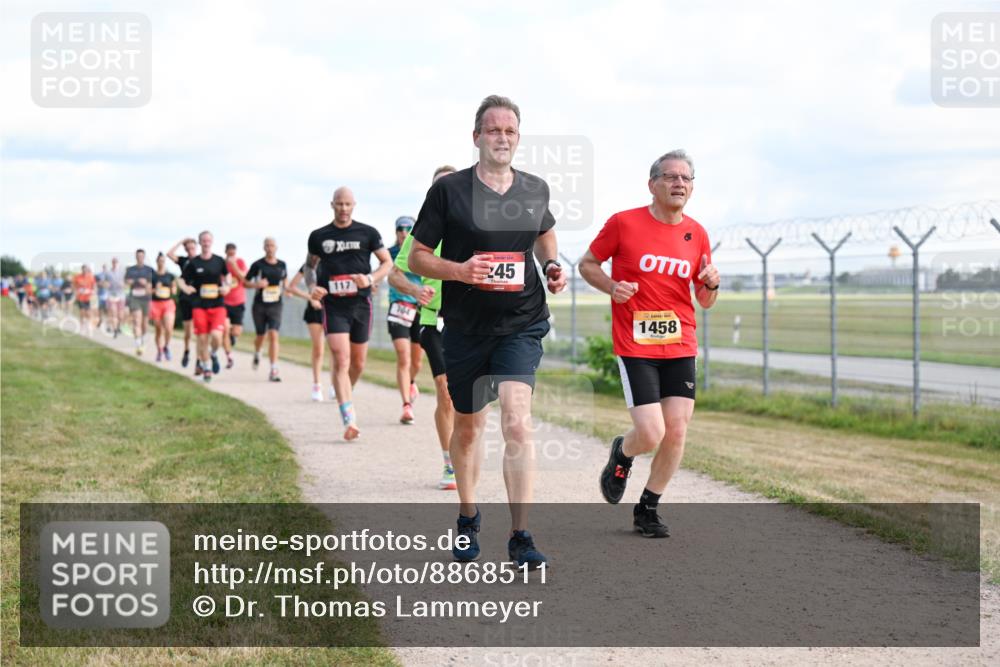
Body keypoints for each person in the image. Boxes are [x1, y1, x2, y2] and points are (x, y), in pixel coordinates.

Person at [408, 96, 566, 568]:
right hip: (466, 327)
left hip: (521, 321)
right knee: (470, 425)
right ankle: (468, 515)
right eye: (493, 130)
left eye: (510, 132)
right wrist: (459, 271)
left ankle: (520, 534)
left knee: (517, 418)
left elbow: (544, 235)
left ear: (518, 138)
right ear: (476, 136)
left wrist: (552, 264)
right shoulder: (449, 191)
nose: (501, 138)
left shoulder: (535, 189)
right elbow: (418, 257)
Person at [579, 149, 720, 538]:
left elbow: (705, 300)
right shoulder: (624, 223)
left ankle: (648, 507)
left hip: (680, 344)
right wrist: (611, 286)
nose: (679, 184)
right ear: (652, 184)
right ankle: (622, 454)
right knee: (651, 432)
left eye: (686, 178)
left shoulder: (697, 233)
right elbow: (587, 263)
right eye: (671, 177)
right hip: (636, 343)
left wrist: (712, 284)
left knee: (676, 430)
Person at [307, 186, 392, 441]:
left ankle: (345, 391)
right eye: (339, 204)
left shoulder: (368, 233)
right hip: (334, 306)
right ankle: (349, 418)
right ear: (331, 205)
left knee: (357, 364)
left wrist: (369, 278)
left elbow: (386, 262)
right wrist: (313, 287)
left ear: (354, 205)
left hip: (361, 305)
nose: (343, 209)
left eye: (347, 204)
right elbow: (309, 267)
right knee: (341, 359)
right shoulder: (319, 236)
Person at [392, 164, 457, 490]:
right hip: (435, 320)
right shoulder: (424, 231)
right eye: (438, 188)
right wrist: (416, 290)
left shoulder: (474, 225)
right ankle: (450, 463)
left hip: (473, 322)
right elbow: (394, 273)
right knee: (445, 394)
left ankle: (465, 450)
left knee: (473, 400)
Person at [386, 216, 426, 424]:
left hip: (420, 310)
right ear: (396, 232)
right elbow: (386, 273)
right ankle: (406, 405)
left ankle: (411, 381)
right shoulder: (391, 253)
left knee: (416, 362)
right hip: (398, 307)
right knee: (403, 357)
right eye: (400, 228)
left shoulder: (422, 253)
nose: (404, 232)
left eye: (409, 228)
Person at [178, 231, 230, 382]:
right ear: (200, 243)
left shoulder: (219, 261)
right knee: (201, 339)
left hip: (218, 305)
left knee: (216, 336)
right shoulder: (194, 263)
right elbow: (181, 280)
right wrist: (186, 288)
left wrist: (227, 287)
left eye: (208, 240)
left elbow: (227, 277)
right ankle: (207, 367)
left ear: (212, 242)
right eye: (203, 241)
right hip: (199, 305)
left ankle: (213, 353)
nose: (206, 243)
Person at [244, 237, 289, 382]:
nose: (270, 248)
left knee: (274, 334)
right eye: (267, 245)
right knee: (260, 336)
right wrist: (256, 284)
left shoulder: (282, 264)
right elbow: (245, 282)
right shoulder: (257, 265)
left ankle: (274, 369)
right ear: (264, 248)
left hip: (276, 304)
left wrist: (288, 290)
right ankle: (257, 352)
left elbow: (285, 280)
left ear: (276, 248)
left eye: (272, 245)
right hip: (260, 305)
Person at [287, 255, 329, 401]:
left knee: (338, 349)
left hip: (334, 309)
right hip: (315, 311)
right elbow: (291, 287)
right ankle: (317, 385)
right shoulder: (308, 266)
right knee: (319, 348)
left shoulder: (333, 261)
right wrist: (310, 297)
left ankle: (337, 384)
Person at [167, 238, 198, 368]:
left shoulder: (201, 260)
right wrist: (182, 241)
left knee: (201, 330)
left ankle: (199, 358)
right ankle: (186, 351)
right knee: (188, 331)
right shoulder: (183, 261)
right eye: (188, 248)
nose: (190, 251)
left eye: (192, 248)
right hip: (186, 298)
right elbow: (169, 254)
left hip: (199, 298)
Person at [223, 243, 248, 370]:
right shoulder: (221, 264)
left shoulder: (240, 262)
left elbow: (244, 278)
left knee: (236, 331)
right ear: (226, 252)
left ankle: (233, 337)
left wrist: (234, 266)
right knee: (225, 328)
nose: (231, 255)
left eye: (233, 253)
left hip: (238, 301)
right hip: (224, 302)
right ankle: (229, 357)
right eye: (229, 253)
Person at [125, 249, 154, 355]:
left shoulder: (149, 270)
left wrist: (146, 284)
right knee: (137, 320)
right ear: (136, 257)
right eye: (138, 256)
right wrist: (132, 281)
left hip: (146, 298)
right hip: (134, 297)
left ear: (144, 257)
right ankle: (138, 345)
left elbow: (153, 284)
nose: (139, 258)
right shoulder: (130, 270)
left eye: (141, 256)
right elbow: (126, 282)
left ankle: (142, 339)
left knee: (144, 324)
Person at [150, 252, 177, 362]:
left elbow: (174, 291)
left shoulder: (170, 275)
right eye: (160, 261)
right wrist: (155, 289)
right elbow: (148, 291)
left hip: (168, 303)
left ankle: (166, 346)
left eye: (163, 261)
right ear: (157, 261)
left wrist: (172, 288)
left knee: (169, 328)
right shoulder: (152, 275)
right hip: (155, 304)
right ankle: (159, 350)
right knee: (158, 330)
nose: (161, 263)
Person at [72, 265, 97, 333]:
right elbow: (73, 285)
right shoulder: (77, 277)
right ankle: (82, 327)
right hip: (80, 297)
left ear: (87, 270)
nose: (84, 271)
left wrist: (93, 291)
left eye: (86, 269)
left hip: (88, 297)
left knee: (88, 313)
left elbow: (94, 286)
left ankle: (88, 325)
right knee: (82, 312)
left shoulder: (91, 277)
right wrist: (76, 291)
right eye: (83, 269)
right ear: (82, 270)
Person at [106, 257, 126, 337]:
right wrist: (106, 284)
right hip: (111, 295)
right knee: (114, 313)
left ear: (118, 263)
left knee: (120, 315)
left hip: (120, 295)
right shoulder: (108, 273)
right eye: (113, 262)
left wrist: (123, 285)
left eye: (116, 262)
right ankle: (115, 331)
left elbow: (127, 283)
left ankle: (118, 327)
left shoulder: (122, 272)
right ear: (112, 263)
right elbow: (104, 282)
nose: (115, 263)